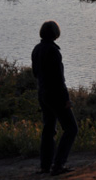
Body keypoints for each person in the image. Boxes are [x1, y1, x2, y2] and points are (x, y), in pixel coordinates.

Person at [31, 21, 78, 176]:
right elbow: (59, 78)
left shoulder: (37, 49)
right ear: (55, 33)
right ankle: (58, 165)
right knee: (71, 128)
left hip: (42, 94)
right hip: (55, 94)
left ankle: (45, 166)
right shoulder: (53, 51)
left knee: (49, 128)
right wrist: (66, 99)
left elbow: (35, 74)